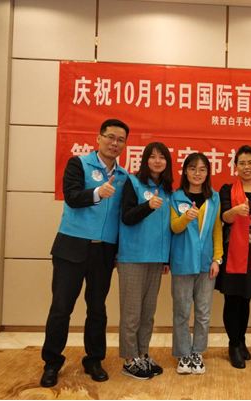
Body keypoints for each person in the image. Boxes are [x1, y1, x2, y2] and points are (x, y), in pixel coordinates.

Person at [40, 119, 130, 387]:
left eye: (120, 140)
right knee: (61, 308)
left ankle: (93, 360)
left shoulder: (124, 176)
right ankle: (52, 363)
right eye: (110, 137)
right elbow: (71, 196)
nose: (114, 143)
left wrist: (119, 251)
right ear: (99, 138)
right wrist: (97, 193)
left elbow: (122, 217)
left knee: (97, 308)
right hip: (72, 247)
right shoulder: (78, 164)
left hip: (104, 251)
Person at [117, 142, 173, 380]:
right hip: (133, 257)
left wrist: (166, 258)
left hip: (156, 258)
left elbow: (167, 227)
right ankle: (129, 360)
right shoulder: (133, 182)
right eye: (153, 156)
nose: (158, 161)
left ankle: (142, 354)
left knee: (148, 313)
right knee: (131, 313)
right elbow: (127, 217)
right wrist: (148, 206)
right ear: (145, 160)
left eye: (162, 157)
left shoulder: (167, 190)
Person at [215, 145, 251, 369]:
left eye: (250, 162)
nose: (246, 167)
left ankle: (242, 340)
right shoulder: (227, 189)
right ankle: (233, 345)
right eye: (242, 163)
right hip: (233, 253)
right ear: (235, 167)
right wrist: (236, 211)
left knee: (246, 299)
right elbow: (224, 218)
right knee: (232, 300)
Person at [170, 153, 223, 375]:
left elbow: (217, 229)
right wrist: (186, 217)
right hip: (182, 262)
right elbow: (174, 227)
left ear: (208, 172)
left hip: (206, 263)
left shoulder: (214, 198)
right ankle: (183, 354)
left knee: (203, 312)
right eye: (192, 168)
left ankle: (197, 353)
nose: (197, 173)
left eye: (202, 169)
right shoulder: (176, 197)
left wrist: (217, 258)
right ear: (185, 171)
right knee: (181, 311)